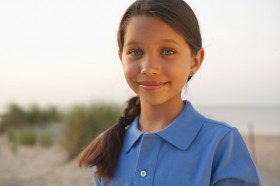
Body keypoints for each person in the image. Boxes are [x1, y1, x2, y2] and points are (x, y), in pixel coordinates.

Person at [79, 0, 262, 185]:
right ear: (121, 59)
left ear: (195, 61)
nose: (149, 68)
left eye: (167, 51)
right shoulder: (108, 146)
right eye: (135, 52)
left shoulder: (221, 144)